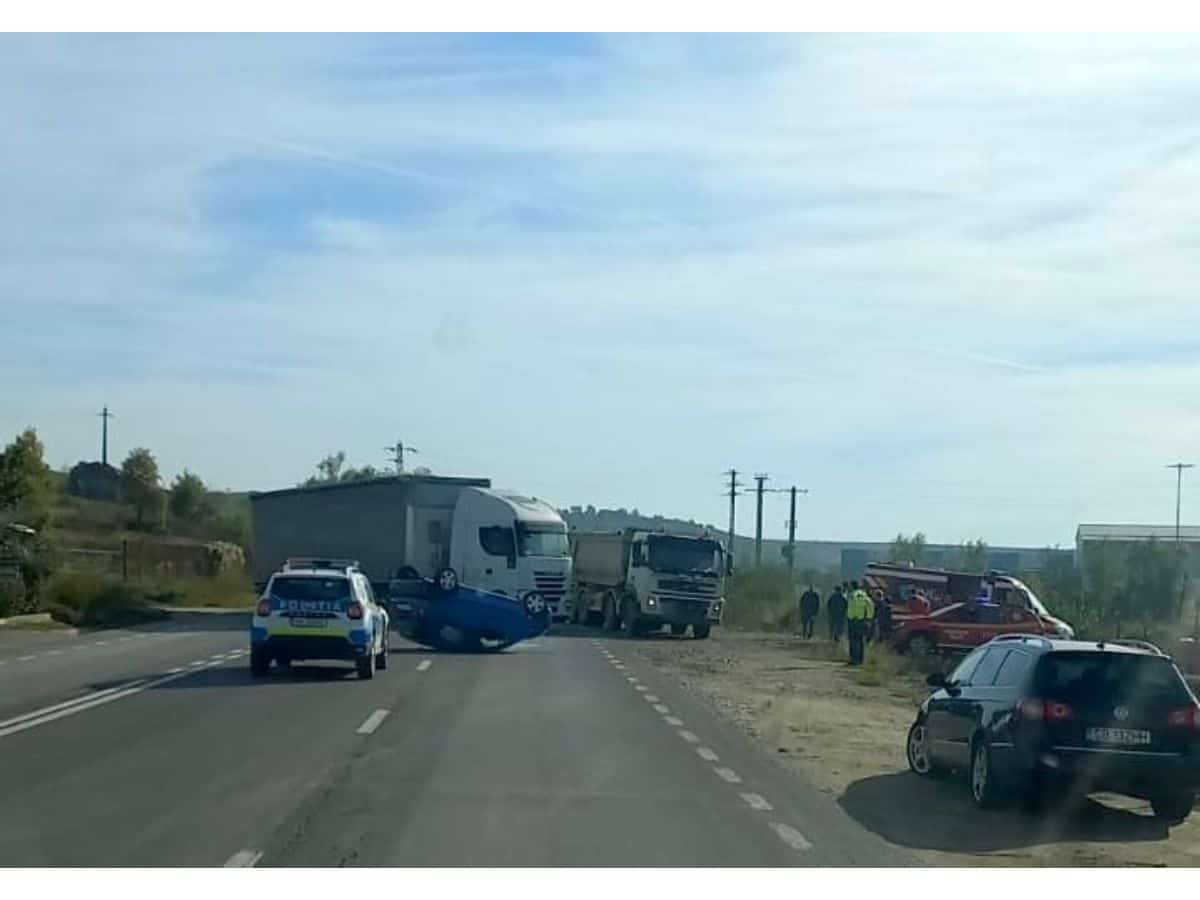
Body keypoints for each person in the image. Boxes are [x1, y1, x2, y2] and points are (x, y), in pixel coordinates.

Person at [846, 581, 875, 665]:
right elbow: (871, 605)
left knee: (853, 641)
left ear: (852, 586)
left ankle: (854, 660)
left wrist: (851, 617)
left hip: (854, 621)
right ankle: (860, 660)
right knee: (860, 641)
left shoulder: (852, 595)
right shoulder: (864, 595)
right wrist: (869, 618)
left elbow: (852, 608)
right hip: (862, 621)